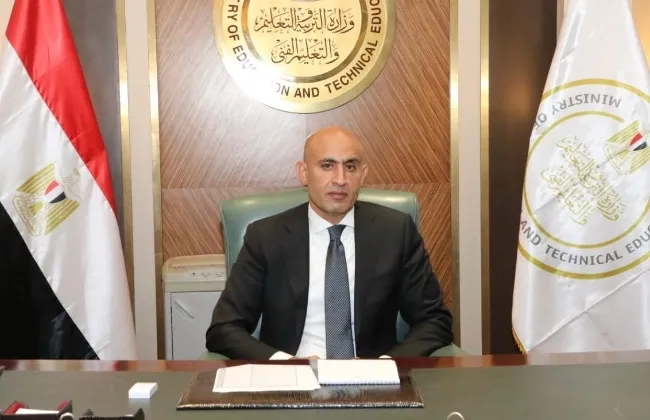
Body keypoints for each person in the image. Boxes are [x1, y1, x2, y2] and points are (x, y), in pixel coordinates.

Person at [205, 126, 453, 360]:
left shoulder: (395, 231)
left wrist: (385, 364)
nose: (340, 179)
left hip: (372, 378)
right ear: (303, 172)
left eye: (350, 166)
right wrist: (285, 363)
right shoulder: (266, 237)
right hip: (291, 377)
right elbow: (224, 329)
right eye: (327, 165)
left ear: (363, 175)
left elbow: (434, 320)